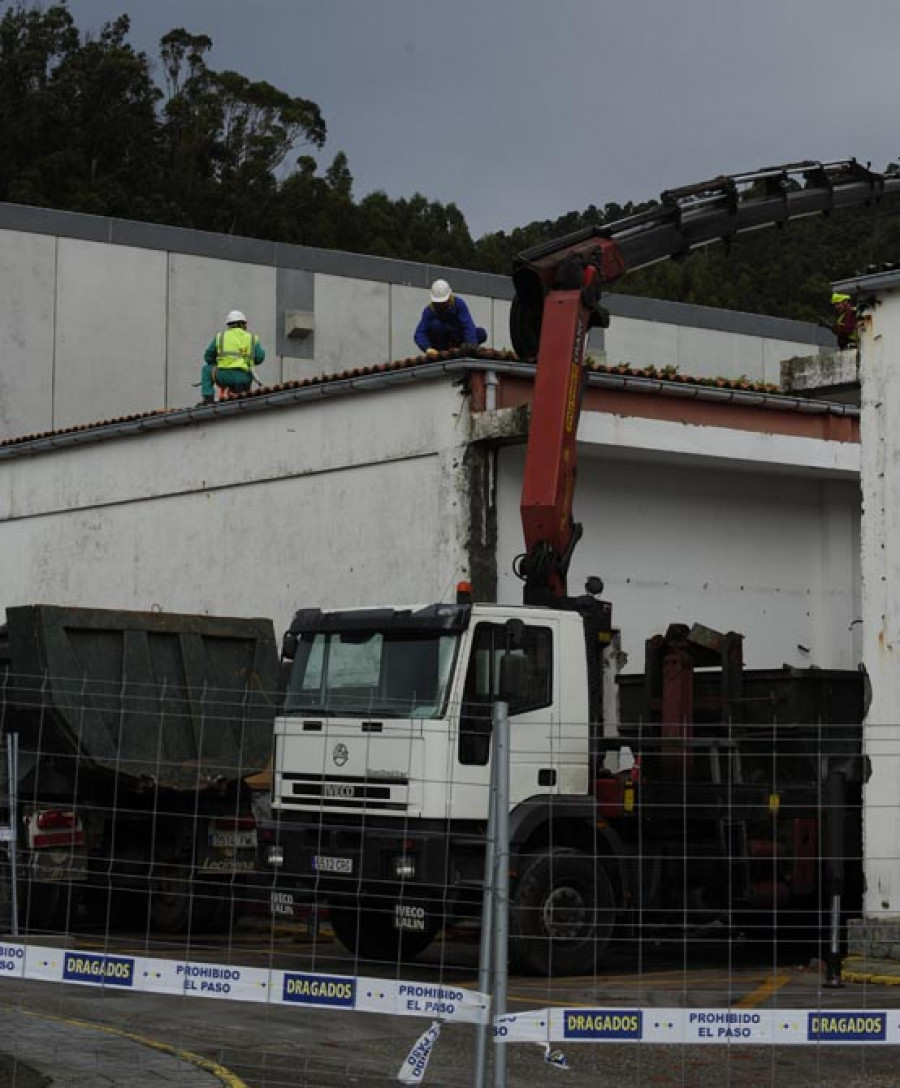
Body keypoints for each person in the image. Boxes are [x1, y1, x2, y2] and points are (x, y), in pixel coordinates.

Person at [199, 310, 266, 405]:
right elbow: (259, 358)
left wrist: (218, 363)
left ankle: (208, 399)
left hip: (225, 376)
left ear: (229, 324)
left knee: (206, 369)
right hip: (244, 378)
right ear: (243, 324)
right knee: (241, 401)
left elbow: (208, 357)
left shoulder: (220, 337)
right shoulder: (252, 338)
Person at [414, 279, 487, 357]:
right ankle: (442, 351)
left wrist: (471, 344)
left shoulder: (459, 304)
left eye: (444, 302)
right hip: (441, 343)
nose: (442, 305)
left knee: (480, 333)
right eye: (439, 303)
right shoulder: (429, 311)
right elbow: (419, 333)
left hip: (458, 340)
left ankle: (465, 348)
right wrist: (427, 348)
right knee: (435, 325)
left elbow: (467, 325)